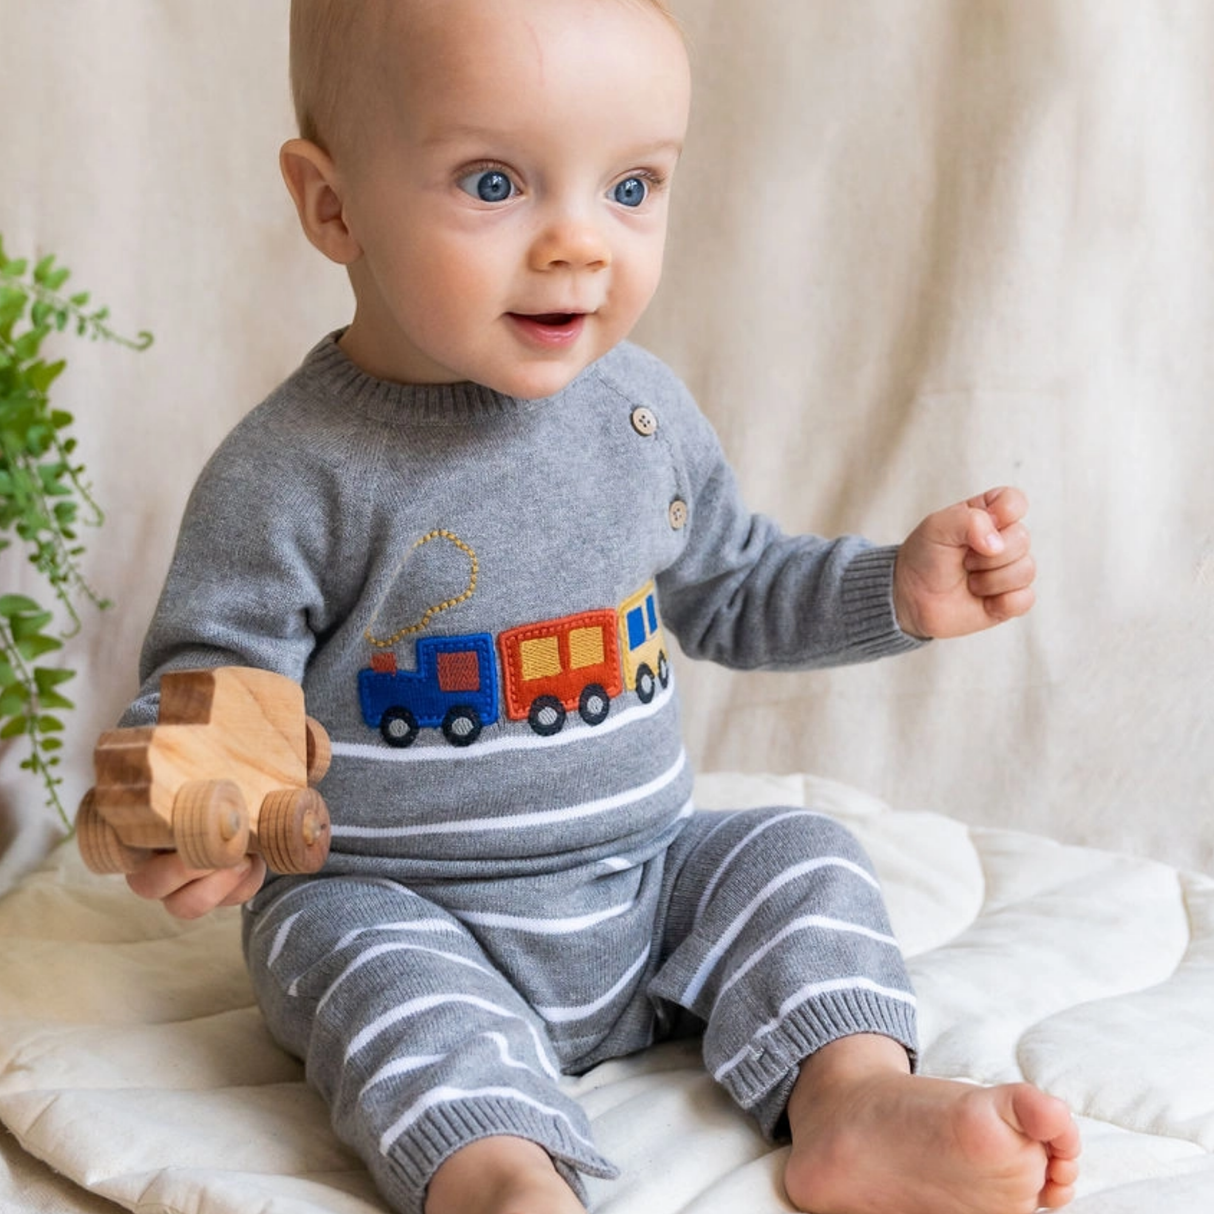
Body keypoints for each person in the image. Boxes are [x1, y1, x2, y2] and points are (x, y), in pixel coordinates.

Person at [121, 1, 1081, 1212]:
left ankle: (851, 1099)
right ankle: (502, 1177)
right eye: (491, 180)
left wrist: (891, 584)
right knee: (359, 968)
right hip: (409, 910)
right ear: (332, 205)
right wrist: (193, 801)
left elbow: (732, 581)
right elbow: (218, 685)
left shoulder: (639, 412)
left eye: (631, 188)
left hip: (644, 883)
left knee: (800, 852)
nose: (580, 242)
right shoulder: (291, 470)